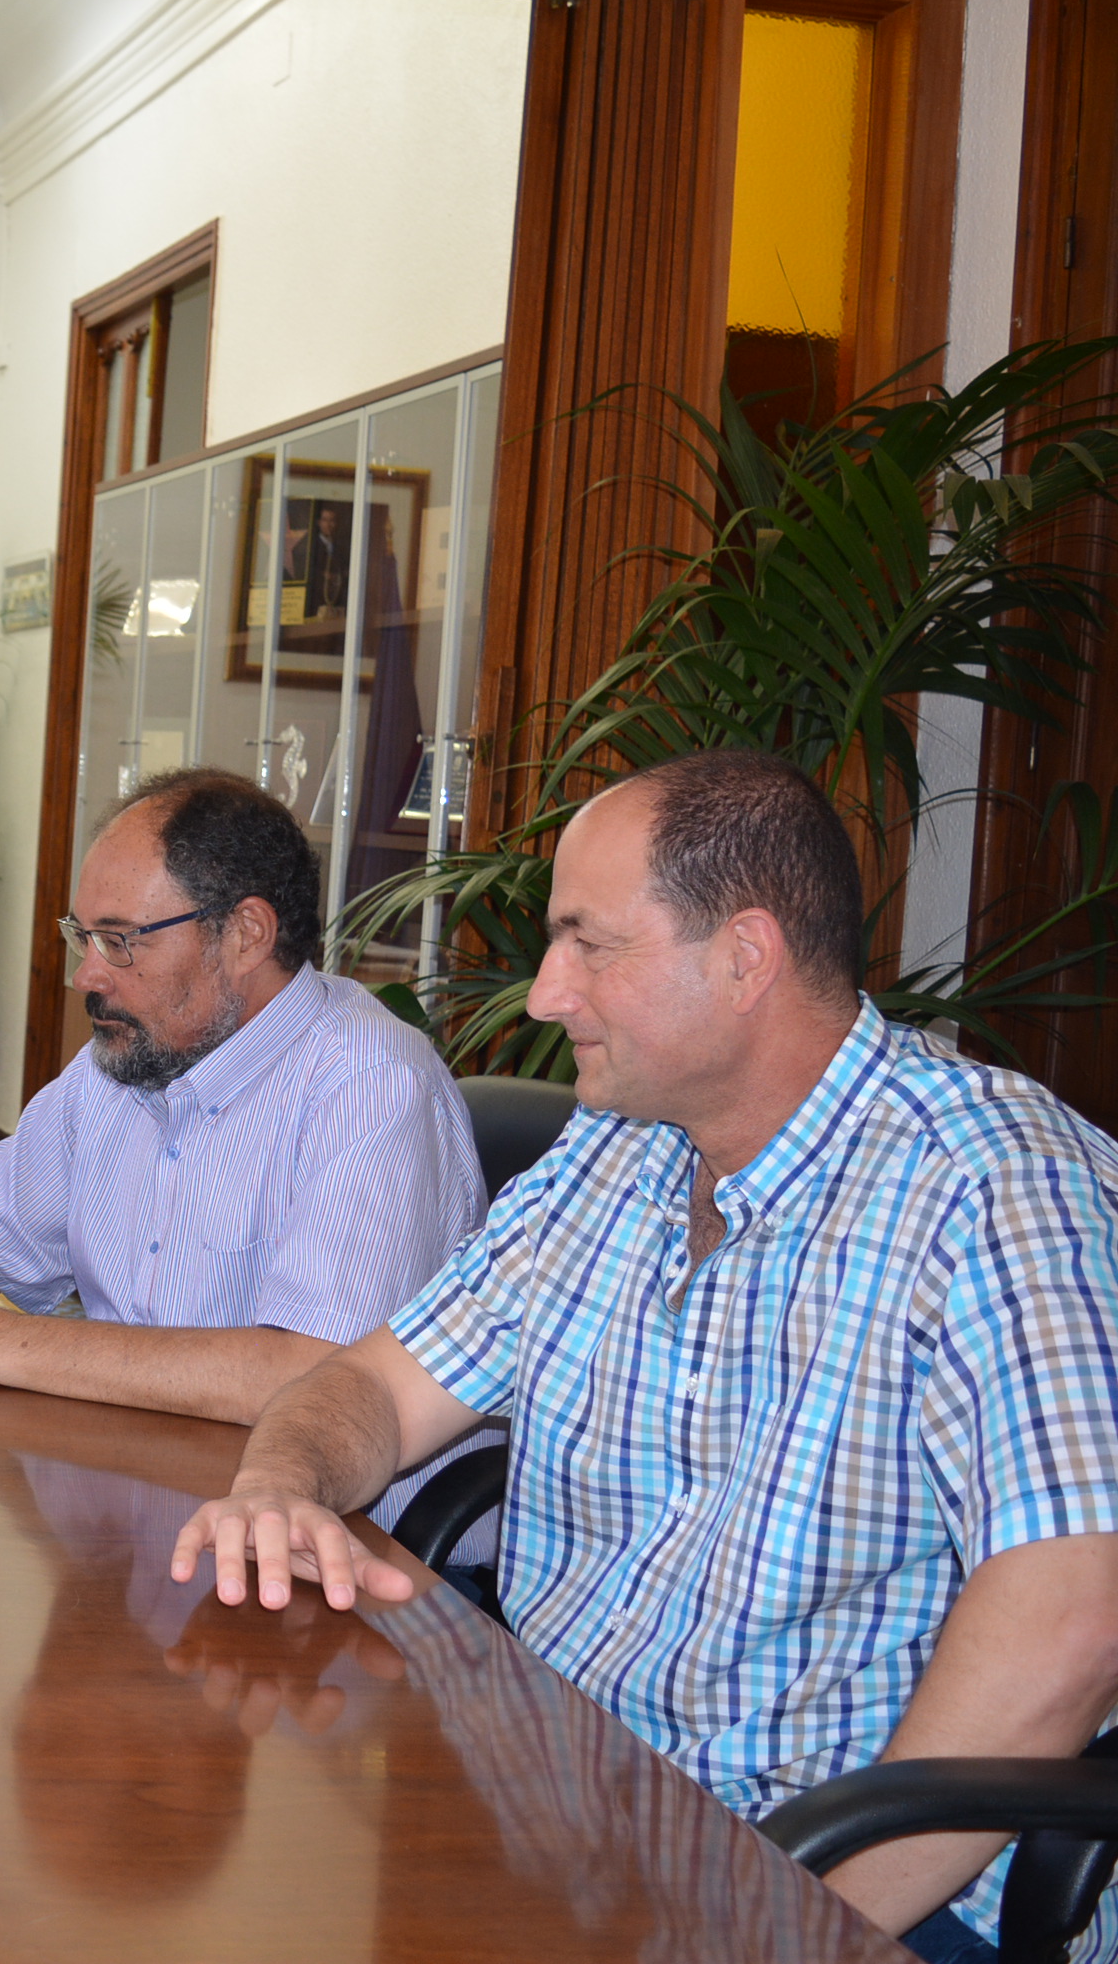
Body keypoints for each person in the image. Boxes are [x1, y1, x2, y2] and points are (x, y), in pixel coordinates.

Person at [170, 750, 1118, 1964]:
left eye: (587, 943)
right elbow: (367, 1387)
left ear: (743, 957)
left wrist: (785, 1929)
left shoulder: (992, 1184)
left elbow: (1077, 1617)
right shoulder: (613, 1154)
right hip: (558, 1815)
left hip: (834, 1879)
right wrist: (281, 1485)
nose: (544, 993)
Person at [0, 768, 492, 1546]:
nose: (86, 976)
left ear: (244, 935)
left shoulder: (370, 1086)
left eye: (120, 941)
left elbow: (310, 1371)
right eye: (83, 936)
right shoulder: (123, 1062)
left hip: (338, 1553)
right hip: (137, 1505)